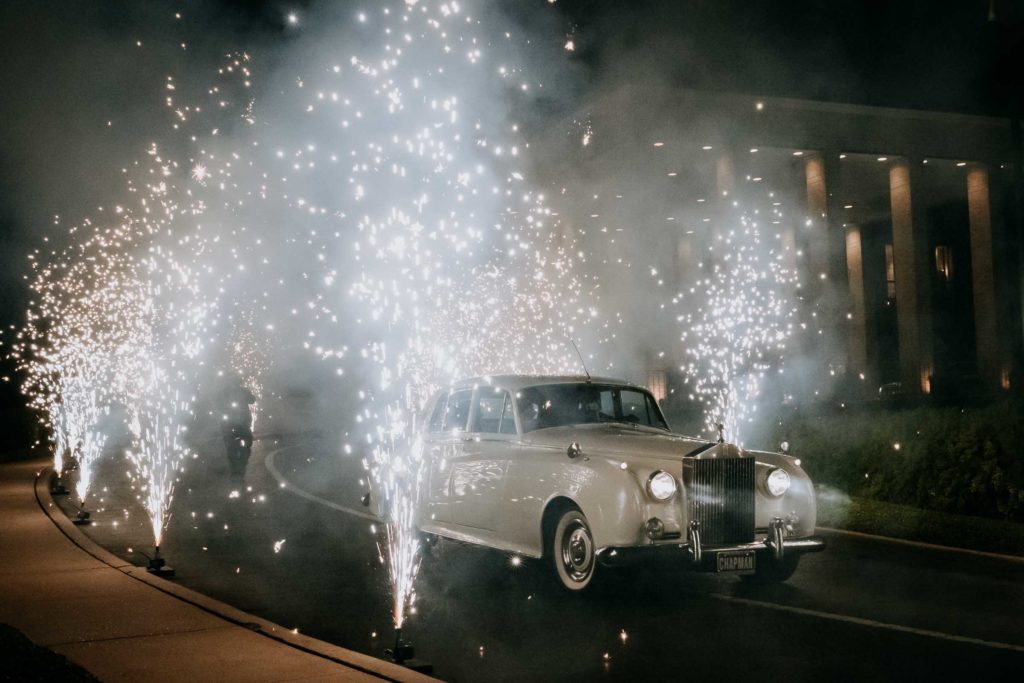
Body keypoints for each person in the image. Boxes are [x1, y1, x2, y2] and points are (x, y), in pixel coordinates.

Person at [219, 375, 255, 477]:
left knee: (235, 444)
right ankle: (239, 465)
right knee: (240, 443)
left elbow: (252, 400)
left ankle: (238, 465)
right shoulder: (226, 391)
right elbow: (252, 400)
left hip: (239, 421)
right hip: (234, 421)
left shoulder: (228, 391)